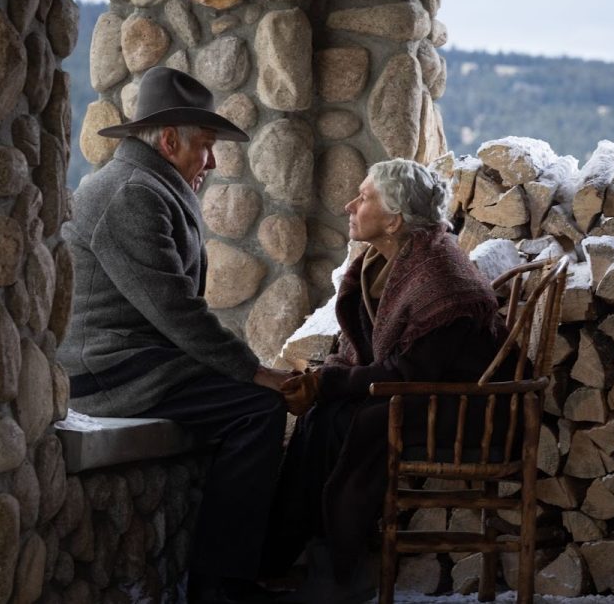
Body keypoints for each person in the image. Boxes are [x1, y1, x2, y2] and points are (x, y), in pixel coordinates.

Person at [57, 66, 291, 604]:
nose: (211, 162)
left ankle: (242, 568)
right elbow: (179, 313)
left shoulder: (150, 185)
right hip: (108, 371)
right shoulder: (130, 194)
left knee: (251, 400)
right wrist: (260, 373)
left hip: (140, 360)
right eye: (205, 148)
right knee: (257, 408)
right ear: (168, 141)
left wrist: (252, 370)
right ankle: (221, 585)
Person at [263, 158, 514, 600]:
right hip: (417, 394)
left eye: (364, 198)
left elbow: (411, 372)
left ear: (395, 219)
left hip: (463, 408)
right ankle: (290, 557)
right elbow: (371, 352)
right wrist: (325, 380)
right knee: (323, 417)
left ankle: (341, 568)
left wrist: (328, 384)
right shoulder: (384, 262)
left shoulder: (440, 274)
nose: (348, 205)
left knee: (341, 420)